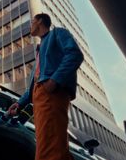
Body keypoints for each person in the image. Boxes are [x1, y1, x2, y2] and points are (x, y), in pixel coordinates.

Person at [7, 13, 83, 160]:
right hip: (39, 97)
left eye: (32, 22)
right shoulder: (39, 49)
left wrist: (54, 80)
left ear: (40, 21)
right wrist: (19, 104)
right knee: (49, 146)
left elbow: (75, 55)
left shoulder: (58, 33)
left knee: (50, 149)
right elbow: (33, 84)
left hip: (51, 94)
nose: (30, 25)